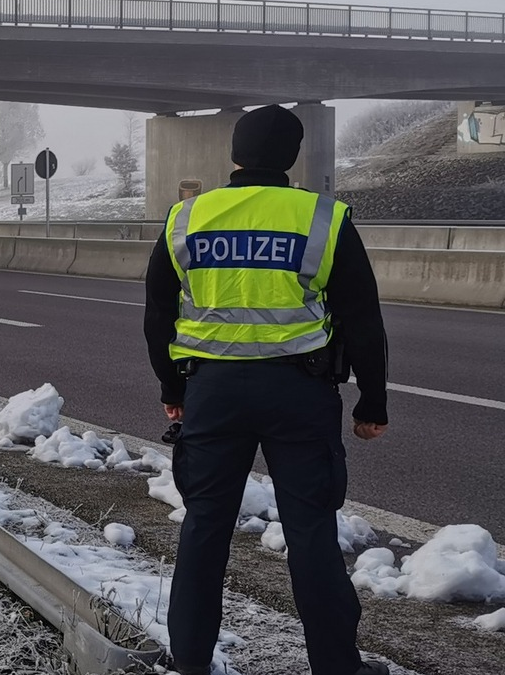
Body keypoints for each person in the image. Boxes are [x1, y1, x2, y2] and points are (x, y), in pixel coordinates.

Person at [143, 105, 390, 675]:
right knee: (311, 533)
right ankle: (337, 667)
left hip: (212, 392)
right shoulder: (322, 217)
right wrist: (372, 403)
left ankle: (191, 663)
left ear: (234, 153)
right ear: (293, 157)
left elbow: (158, 315)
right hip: (300, 393)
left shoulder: (187, 217)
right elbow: (363, 318)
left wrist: (171, 387)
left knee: (204, 528)